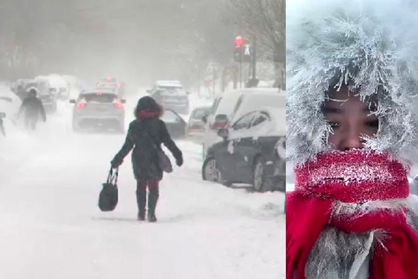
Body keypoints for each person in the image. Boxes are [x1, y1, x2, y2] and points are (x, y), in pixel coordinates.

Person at [286, 1, 418, 278]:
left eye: (373, 122)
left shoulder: (413, 229)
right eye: (333, 124)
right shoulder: (285, 230)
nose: (354, 141)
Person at [110, 96, 183, 222]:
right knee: (153, 185)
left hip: (139, 157)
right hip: (154, 157)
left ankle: (141, 212)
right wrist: (178, 155)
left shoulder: (134, 125)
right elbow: (168, 142)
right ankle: (151, 213)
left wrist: (117, 159)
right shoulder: (159, 125)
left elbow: (128, 145)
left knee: (141, 184)